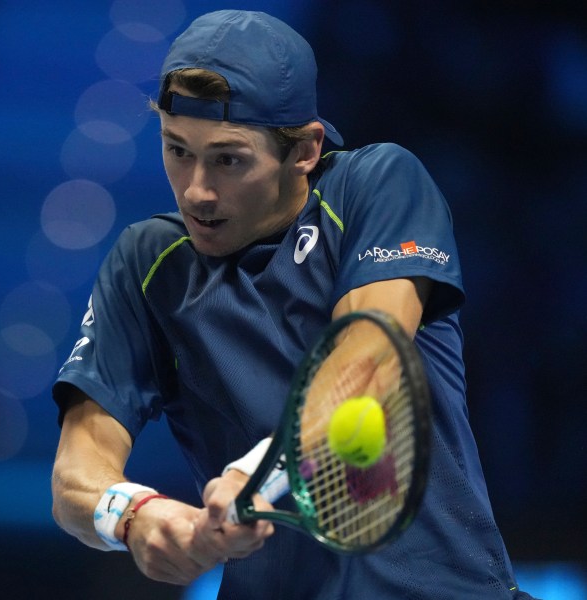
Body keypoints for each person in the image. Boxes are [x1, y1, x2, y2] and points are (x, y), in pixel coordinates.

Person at [50, 9, 533, 599]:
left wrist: (255, 474)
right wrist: (132, 514)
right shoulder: (147, 263)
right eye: (177, 150)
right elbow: (77, 471)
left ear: (304, 149)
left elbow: (370, 361)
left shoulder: (377, 183)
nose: (197, 189)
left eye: (229, 159)